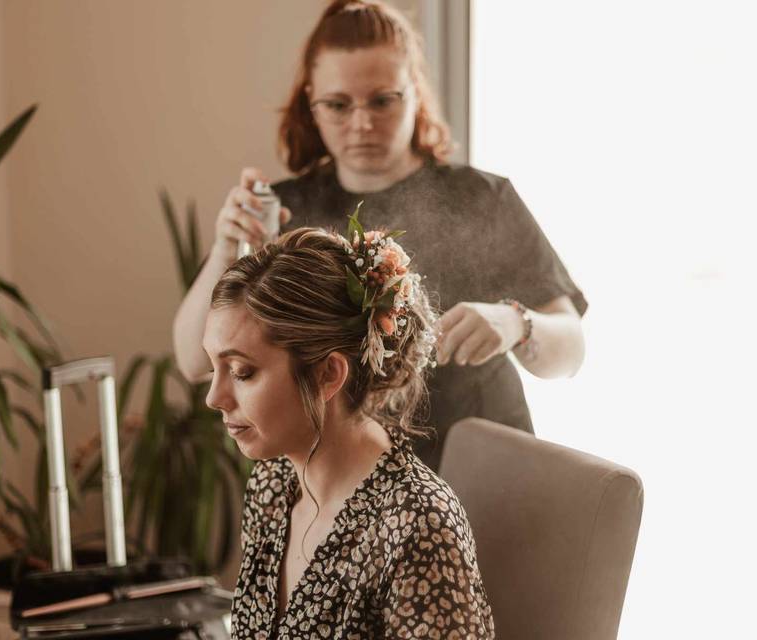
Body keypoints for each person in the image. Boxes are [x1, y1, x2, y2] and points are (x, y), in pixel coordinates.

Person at [174, 0, 586, 471]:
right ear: (311, 101)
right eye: (338, 105)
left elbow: (571, 350)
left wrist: (518, 324)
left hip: (481, 472)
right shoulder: (283, 212)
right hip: (336, 483)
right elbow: (194, 362)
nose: (362, 123)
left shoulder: (483, 199)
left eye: (383, 100)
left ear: (415, 93)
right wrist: (228, 246)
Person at [203, 225, 494, 638]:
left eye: (241, 372)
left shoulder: (418, 527)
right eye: (213, 368)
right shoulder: (273, 485)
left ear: (327, 374)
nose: (214, 397)